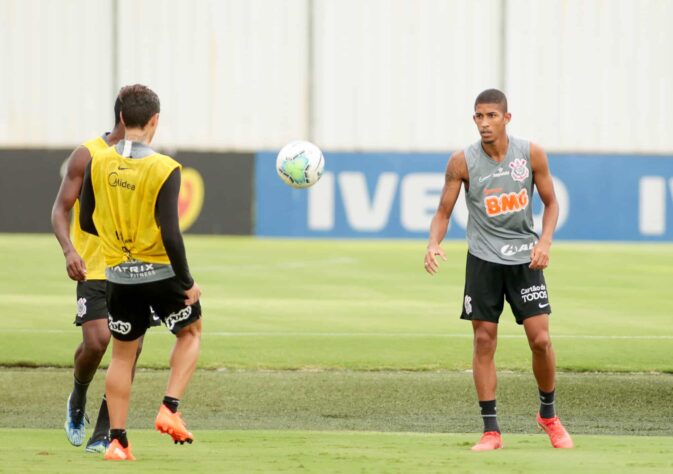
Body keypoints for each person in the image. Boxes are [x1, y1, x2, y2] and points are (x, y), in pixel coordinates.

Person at [424, 89, 573, 451]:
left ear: (507, 118)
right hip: (483, 260)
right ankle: (491, 431)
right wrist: (433, 243)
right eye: (479, 116)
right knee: (484, 340)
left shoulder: (530, 153)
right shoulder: (462, 161)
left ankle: (548, 416)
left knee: (540, 340)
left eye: (491, 116)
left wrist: (544, 243)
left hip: (525, 259)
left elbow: (552, 204)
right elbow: (443, 212)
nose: (484, 123)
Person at [79, 83, 202, 461]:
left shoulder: (96, 162)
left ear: (120, 118)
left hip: (118, 275)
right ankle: (170, 407)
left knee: (121, 357)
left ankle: (117, 441)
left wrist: (121, 247)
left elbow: (85, 220)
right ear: (154, 121)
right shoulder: (164, 168)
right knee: (191, 331)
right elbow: (171, 233)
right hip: (161, 273)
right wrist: (187, 282)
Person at [51, 96, 153, 453]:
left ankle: (105, 430)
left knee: (132, 348)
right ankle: (78, 394)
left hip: (134, 269)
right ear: (126, 119)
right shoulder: (87, 154)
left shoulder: (150, 161)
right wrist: (69, 250)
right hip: (93, 267)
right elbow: (61, 210)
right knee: (97, 342)